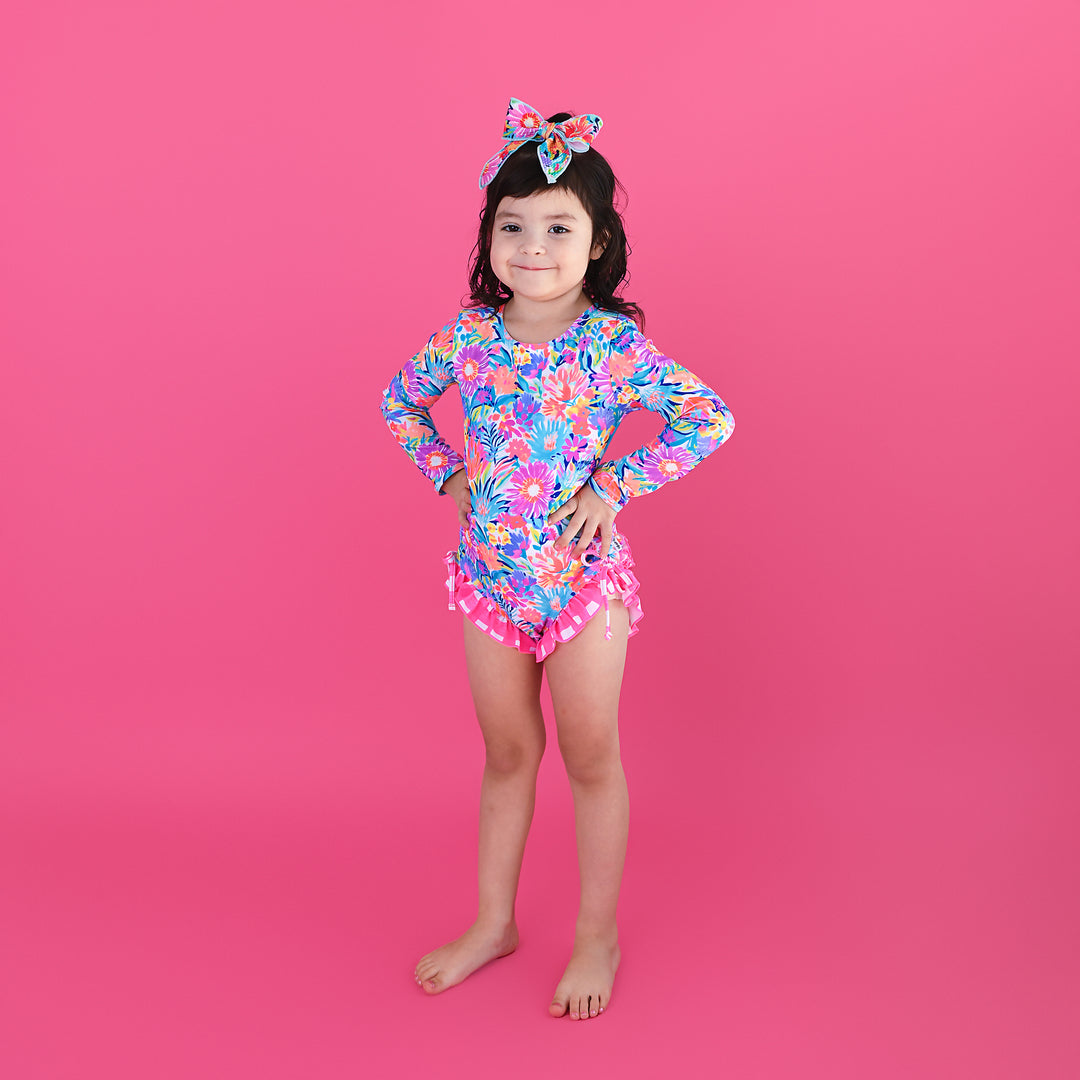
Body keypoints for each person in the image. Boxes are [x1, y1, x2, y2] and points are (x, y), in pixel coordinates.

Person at [380, 98, 735, 1021]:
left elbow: (709, 418)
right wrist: (445, 471)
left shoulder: (612, 345)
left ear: (599, 242)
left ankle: (595, 935)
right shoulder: (467, 337)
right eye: (512, 226)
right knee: (506, 754)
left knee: (589, 756)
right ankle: (493, 922)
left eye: (558, 227)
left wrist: (614, 485)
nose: (532, 245)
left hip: (581, 587)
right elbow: (399, 403)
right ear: (490, 237)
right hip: (490, 582)